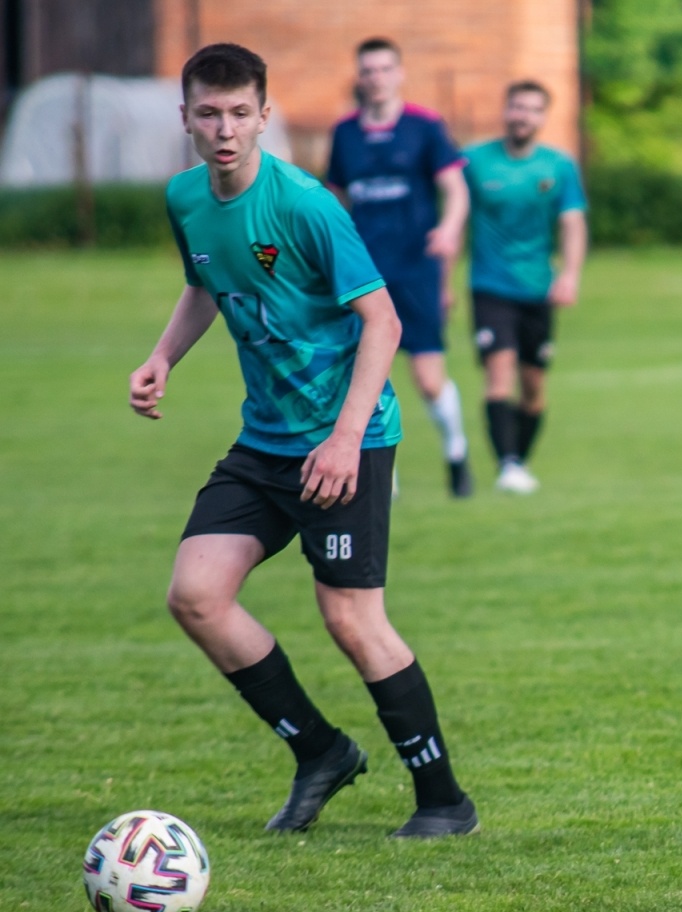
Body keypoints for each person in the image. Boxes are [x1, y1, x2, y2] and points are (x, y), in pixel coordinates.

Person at [129, 42, 477, 838]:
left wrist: (345, 440)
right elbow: (206, 287)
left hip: (347, 435)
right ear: (185, 117)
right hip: (266, 442)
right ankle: (320, 752)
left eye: (239, 114)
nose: (224, 130)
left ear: (265, 116)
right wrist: (161, 358)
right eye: (209, 114)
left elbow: (382, 321)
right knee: (197, 595)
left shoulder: (307, 205)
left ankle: (443, 801)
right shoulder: (186, 199)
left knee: (352, 619)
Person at [326, 37, 473, 497]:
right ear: (360, 76)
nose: (376, 78)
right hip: (364, 275)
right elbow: (334, 200)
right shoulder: (344, 132)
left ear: (400, 73)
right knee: (367, 380)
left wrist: (449, 229)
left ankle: (456, 450)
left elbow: (456, 189)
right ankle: (382, 479)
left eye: (385, 68)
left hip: (415, 271)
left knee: (429, 380)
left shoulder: (425, 127)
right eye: (367, 70)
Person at [461, 80, 587, 494]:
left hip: (538, 290)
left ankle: (518, 462)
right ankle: (508, 464)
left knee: (533, 387)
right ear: (505, 110)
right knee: (499, 375)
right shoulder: (475, 161)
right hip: (490, 286)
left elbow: (572, 222)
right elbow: (453, 213)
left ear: (543, 117)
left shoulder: (558, 165)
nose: (522, 115)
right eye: (516, 106)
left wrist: (569, 275)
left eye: (533, 109)